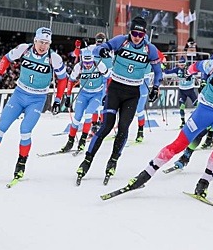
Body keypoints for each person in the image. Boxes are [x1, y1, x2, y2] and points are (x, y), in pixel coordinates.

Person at [122, 41, 213, 198]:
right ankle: (144, 176)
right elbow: (196, 66)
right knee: (179, 144)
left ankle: (204, 183)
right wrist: (188, 72)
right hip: (205, 111)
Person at [76, 17, 163, 184]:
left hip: (132, 93)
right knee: (106, 127)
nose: (137, 36)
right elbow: (97, 50)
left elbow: (158, 71)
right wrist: (101, 51)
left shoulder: (149, 49)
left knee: (123, 128)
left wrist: (156, 87)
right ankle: (86, 161)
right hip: (115, 89)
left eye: (140, 33)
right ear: (130, 31)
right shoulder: (120, 41)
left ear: (144, 34)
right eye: (134, 33)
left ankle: (113, 161)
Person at [0, 27, 67, 180]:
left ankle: (20, 165)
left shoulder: (53, 58)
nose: (43, 46)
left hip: (37, 100)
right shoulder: (24, 49)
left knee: (25, 130)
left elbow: (63, 79)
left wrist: (58, 99)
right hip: (19, 95)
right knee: (1, 127)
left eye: (47, 43)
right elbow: (6, 59)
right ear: (35, 40)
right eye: (41, 42)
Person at [60, 49, 111, 153]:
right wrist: (68, 97)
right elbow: (70, 80)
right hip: (83, 94)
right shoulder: (79, 66)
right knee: (76, 118)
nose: (88, 65)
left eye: (90, 63)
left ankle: (82, 140)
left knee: (88, 114)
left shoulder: (99, 65)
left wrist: (107, 94)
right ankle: (70, 141)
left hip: (96, 94)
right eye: (86, 63)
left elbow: (109, 78)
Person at [164, 56, 198, 128]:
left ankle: (198, 121)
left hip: (190, 90)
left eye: (182, 65)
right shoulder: (177, 69)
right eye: (179, 65)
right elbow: (167, 72)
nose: (180, 66)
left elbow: (196, 72)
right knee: (182, 107)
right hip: (182, 91)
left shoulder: (189, 69)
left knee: (197, 106)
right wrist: (163, 67)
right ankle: (183, 122)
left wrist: (191, 72)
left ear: (185, 64)